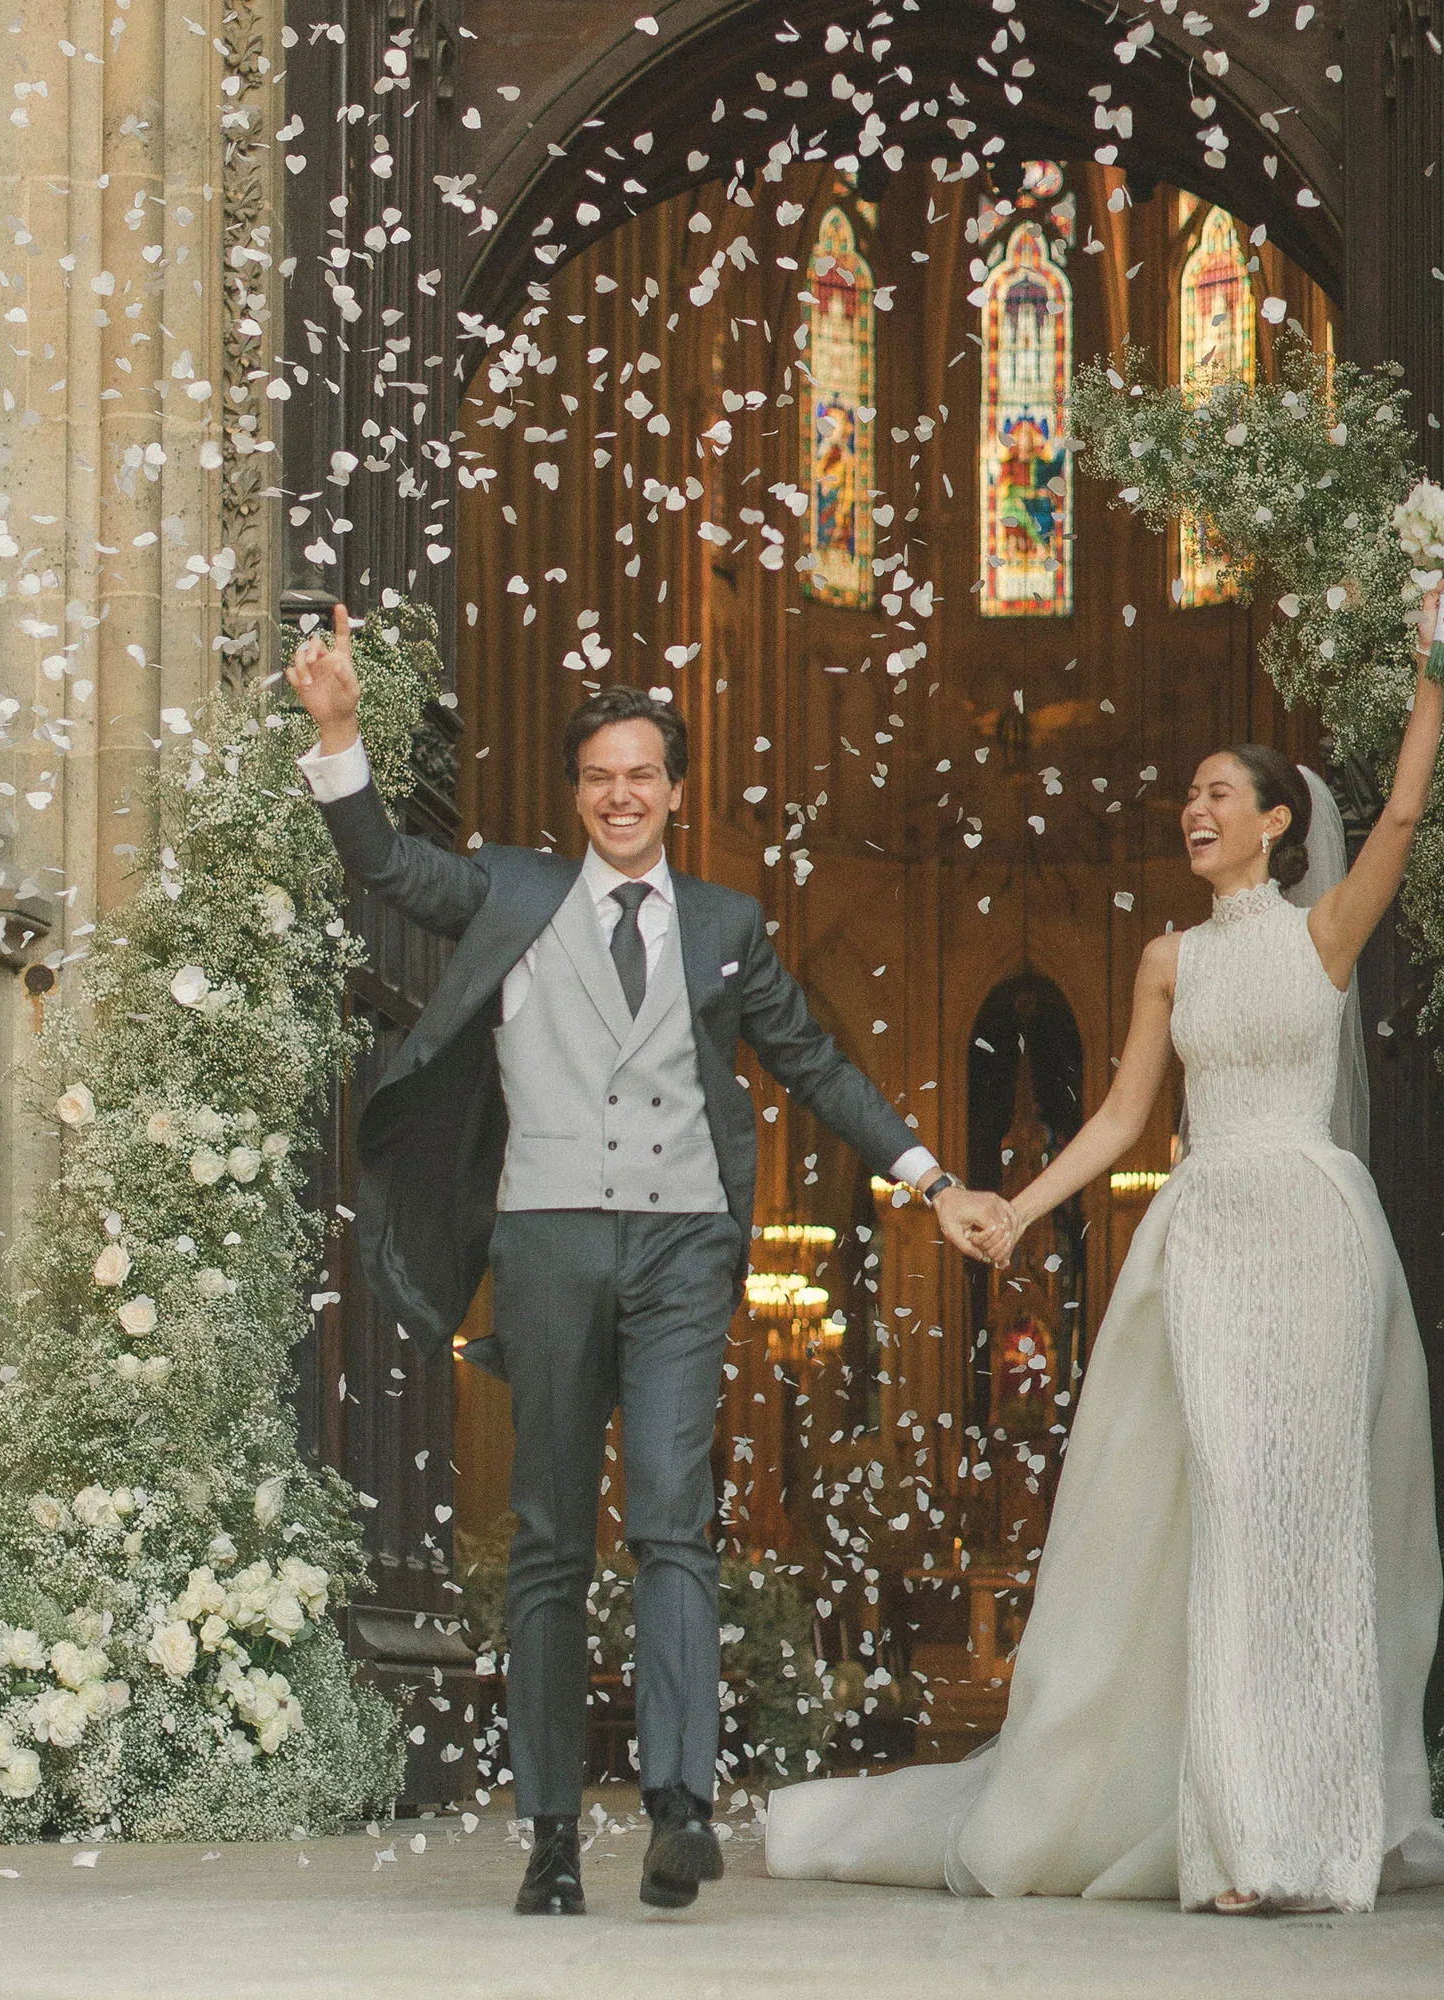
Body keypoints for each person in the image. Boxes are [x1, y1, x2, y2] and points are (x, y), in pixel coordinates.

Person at [766, 579, 1444, 1915]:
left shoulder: (1327, 934)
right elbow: (1116, 1117)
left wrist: (1433, 668)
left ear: (1277, 821)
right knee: (1228, 1519)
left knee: (1304, 1528)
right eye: (1191, 795)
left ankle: (1310, 1835)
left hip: (1316, 1242)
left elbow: (1401, 812)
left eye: (1223, 792)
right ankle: (1225, 1841)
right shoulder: (1167, 961)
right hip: (1205, 1238)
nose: (1197, 810)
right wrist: (1017, 1207)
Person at [285, 610, 1006, 1916]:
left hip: (682, 1248)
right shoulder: (511, 891)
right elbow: (387, 867)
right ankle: (553, 1835)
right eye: (600, 775)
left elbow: (816, 1065)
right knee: (557, 1539)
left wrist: (932, 1181)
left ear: (675, 792)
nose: (622, 795)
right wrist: (338, 731)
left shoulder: (728, 923)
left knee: (676, 1517)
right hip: (551, 1244)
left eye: (643, 774)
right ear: (578, 795)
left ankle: (680, 1807)